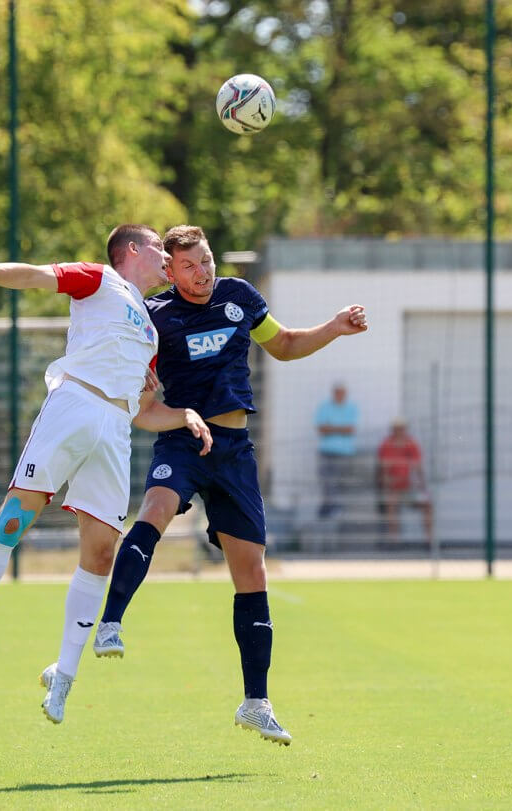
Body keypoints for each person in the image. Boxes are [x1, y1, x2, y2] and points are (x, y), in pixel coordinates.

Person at [93, 225, 368, 746]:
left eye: (207, 260)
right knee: (153, 509)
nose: (203, 273)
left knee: (251, 571)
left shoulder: (240, 297)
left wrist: (332, 327)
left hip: (235, 451)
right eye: (190, 266)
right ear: (169, 270)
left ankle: (256, 703)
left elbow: (283, 345)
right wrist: (139, 380)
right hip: (182, 438)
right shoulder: (154, 316)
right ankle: (111, 622)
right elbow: (132, 376)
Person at [0, 224, 213, 725]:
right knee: (16, 518)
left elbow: (145, 410)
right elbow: (38, 276)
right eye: (156, 248)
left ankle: (63, 679)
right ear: (131, 251)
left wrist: (182, 414)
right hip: (74, 403)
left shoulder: (149, 327)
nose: (166, 260)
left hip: (115, 428)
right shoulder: (100, 279)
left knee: (102, 552)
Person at [377, 417, 433, 545]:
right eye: (397, 429)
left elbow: (418, 467)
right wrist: (390, 483)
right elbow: (384, 471)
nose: (399, 431)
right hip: (393, 487)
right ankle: (394, 540)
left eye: (402, 428)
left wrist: (422, 487)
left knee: (427, 504)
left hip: (409, 487)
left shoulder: (411, 443)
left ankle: (429, 540)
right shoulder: (386, 445)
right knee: (391, 503)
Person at [315, 382, 360, 517]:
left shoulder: (351, 408)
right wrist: (341, 428)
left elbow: (350, 430)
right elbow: (322, 429)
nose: (339, 395)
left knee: (341, 482)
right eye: (337, 392)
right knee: (327, 482)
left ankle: (339, 507)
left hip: (344, 452)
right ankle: (330, 506)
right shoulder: (324, 407)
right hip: (327, 451)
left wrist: (331, 428)